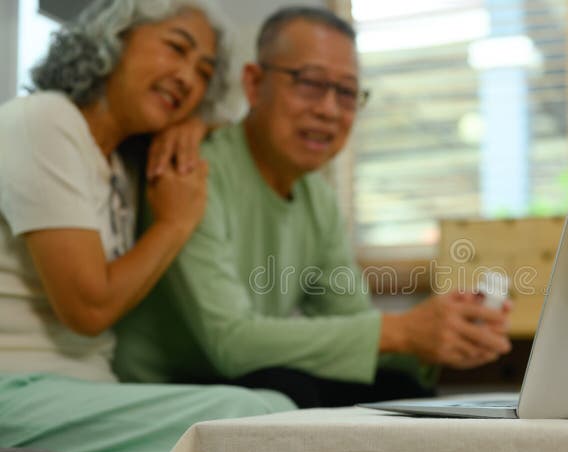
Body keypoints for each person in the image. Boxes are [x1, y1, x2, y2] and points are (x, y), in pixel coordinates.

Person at [114, 6, 513, 408]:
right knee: (291, 389)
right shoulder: (192, 171)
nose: (328, 110)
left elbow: (353, 320)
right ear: (253, 84)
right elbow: (229, 341)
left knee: (398, 390)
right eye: (309, 83)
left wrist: (448, 333)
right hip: (170, 392)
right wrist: (404, 332)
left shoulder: (317, 198)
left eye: (346, 92)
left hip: (243, 380)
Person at [0, 0, 295, 452]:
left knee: (270, 413)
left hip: (80, 389)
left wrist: (193, 122)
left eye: (203, 73)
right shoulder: (43, 121)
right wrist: (175, 223)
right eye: (176, 48)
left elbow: (235, 118)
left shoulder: (121, 160)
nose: (187, 77)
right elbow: (88, 308)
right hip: (15, 386)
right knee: (258, 414)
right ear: (112, 39)